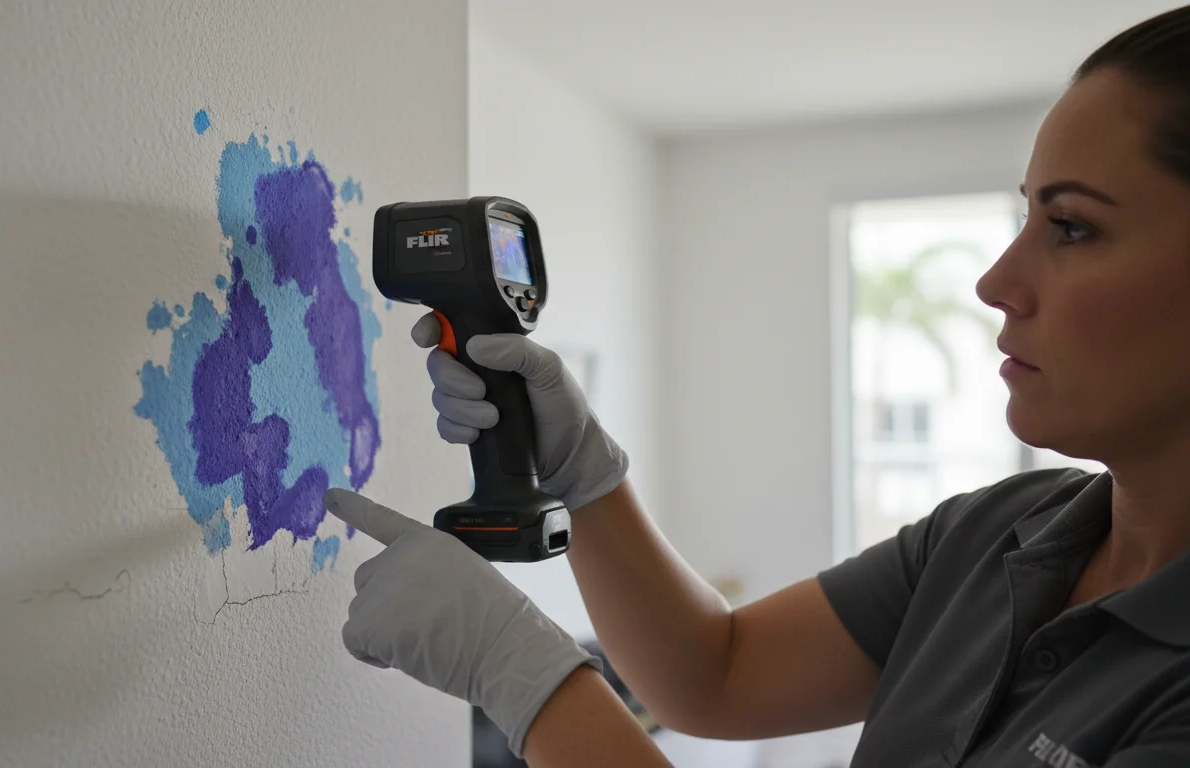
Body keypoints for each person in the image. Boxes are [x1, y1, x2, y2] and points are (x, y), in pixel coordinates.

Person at [323, 6, 1190, 766]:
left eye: (1072, 227)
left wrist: (523, 675)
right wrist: (586, 478)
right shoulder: (998, 537)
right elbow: (717, 673)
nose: (995, 280)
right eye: (1027, 215)